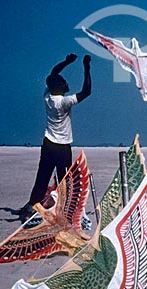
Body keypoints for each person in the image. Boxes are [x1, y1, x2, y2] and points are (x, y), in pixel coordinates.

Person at [19, 53, 92, 223]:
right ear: (59, 87)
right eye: (64, 82)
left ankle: (31, 207)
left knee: (42, 177)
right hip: (62, 147)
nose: (66, 83)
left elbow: (52, 75)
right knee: (64, 180)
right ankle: (64, 211)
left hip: (48, 144)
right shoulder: (63, 102)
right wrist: (86, 67)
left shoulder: (47, 97)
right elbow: (87, 91)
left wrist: (66, 62)